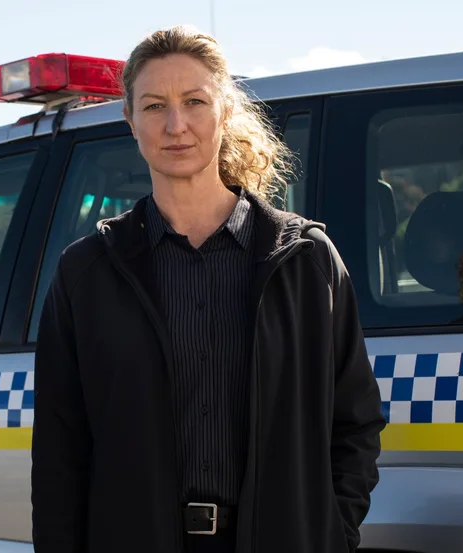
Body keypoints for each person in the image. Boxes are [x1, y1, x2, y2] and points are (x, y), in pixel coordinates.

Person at [31, 25, 386, 553]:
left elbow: (354, 424)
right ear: (129, 119)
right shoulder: (85, 273)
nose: (176, 125)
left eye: (194, 101)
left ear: (224, 110)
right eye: (154, 106)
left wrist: (330, 534)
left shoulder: (307, 262)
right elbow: (60, 453)